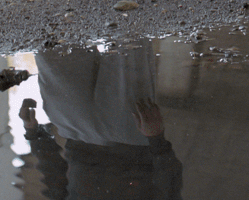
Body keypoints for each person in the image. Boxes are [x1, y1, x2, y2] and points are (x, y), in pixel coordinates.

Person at [19, 43, 182, 200]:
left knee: (50, 44)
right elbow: (168, 191)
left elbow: (55, 183)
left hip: (76, 132)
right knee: (128, 37)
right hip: (129, 134)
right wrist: (157, 138)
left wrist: (33, 132)